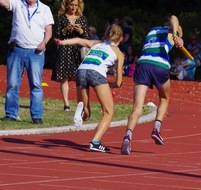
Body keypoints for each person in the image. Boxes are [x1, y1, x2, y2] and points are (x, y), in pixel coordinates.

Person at [54, 24, 124, 153]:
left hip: (81, 71)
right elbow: (119, 82)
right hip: (97, 73)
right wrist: (107, 85)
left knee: (86, 115)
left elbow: (79, 40)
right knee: (108, 112)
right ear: (121, 38)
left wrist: (62, 42)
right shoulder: (119, 53)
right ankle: (95, 142)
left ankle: (80, 111)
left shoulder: (97, 43)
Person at [120, 15, 184, 155]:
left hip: (143, 64)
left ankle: (127, 136)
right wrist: (176, 35)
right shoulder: (171, 31)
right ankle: (156, 128)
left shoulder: (153, 30)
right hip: (160, 64)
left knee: (137, 107)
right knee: (164, 98)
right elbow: (174, 18)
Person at [0, 0, 54, 124]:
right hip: (16, 50)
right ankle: (11, 114)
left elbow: (49, 30)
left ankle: (36, 115)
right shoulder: (18, 3)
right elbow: (3, 3)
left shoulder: (45, 9)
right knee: (12, 83)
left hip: (36, 53)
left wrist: (45, 42)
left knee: (36, 84)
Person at [51, 0, 89, 112]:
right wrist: (66, 29)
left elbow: (86, 37)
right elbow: (57, 35)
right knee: (64, 77)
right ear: (67, 5)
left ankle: (81, 102)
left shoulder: (82, 19)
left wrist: (81, 30)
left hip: (78, 49)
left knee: (80, 77)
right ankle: (66, 104)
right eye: (71, 5)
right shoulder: (61, 18)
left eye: (76, 5)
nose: (73, 7)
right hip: (65, 48)